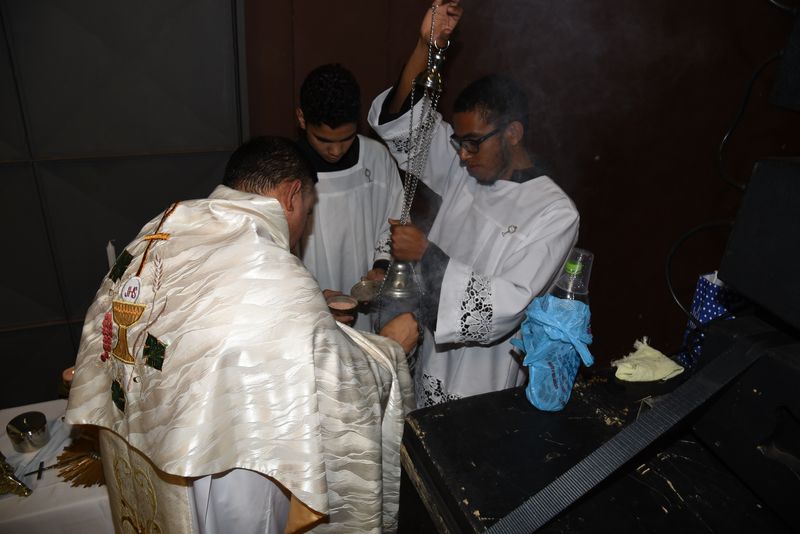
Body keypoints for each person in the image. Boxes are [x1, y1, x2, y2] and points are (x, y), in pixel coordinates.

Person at [65, 137, 416, 533]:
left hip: (147, 439)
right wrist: (390, 348)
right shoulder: (273, 271)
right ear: (292, 195)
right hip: (230, 465)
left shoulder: (164, 227)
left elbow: (194, 316)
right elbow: (342, 392)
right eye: (308, 211)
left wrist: (311, 309)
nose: (303, 226)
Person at [367, 0, 580, 407]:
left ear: (512, 133)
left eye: (473, 143)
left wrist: (426, 254)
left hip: (483, 379)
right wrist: (424, 47)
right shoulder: (465, 169)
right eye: (458, 142)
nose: (462, 155)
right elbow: (406, 121)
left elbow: (506, 307)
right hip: (429, 353)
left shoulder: (554, 213)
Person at [295, 63, 405, 330]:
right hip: (307, 308)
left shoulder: (376, 159)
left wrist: (381, 266)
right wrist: (309, 302)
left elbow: (394, 221)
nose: (335, 151)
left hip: (366, 305)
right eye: (323, 140)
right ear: (301, 119)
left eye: (345, 139)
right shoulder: (287, 170)